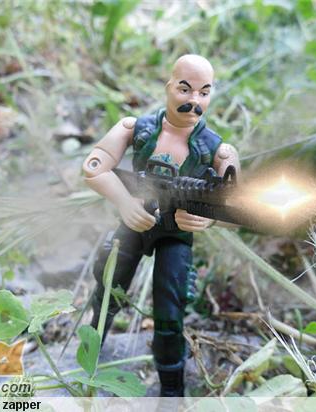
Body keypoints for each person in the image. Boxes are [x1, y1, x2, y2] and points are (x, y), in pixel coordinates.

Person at [82, 54, 240, 397]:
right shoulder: (136, 129)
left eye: (204, 92)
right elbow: (93, 167)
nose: (194, 101)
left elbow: (235, 207)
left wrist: (207, 217)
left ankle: (172, 390)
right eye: (185, 89)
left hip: (175, 234)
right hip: (136, 221)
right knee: (108, 287)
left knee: (169, 312)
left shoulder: (218, 150)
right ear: (169, 87)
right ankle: (89, 355)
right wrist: (125, 202)